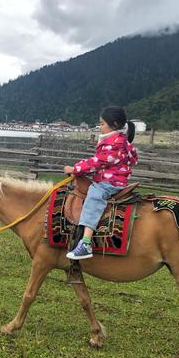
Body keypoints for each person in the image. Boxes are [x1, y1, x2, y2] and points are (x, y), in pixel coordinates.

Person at [64, 107, 138, 259]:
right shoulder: (119, 141)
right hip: (111, 178)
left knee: (94, 196)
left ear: (115, 124)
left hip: (110, 182)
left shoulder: (115, 143)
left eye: (102, 123)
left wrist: (76, 168)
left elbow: (99, 161)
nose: (100, 127)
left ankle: (85, 243)